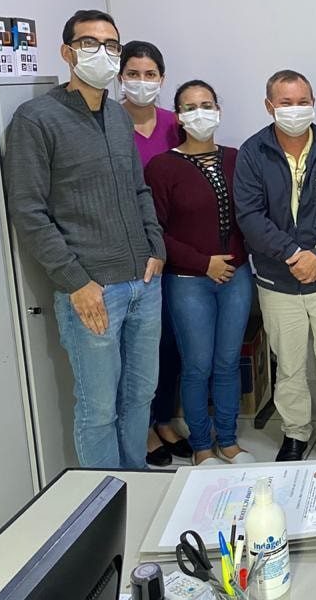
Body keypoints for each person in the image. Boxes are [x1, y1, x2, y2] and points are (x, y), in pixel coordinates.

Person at [4, 9, 165, 469]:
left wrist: (156, 247)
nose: (103, 53)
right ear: (67, 52)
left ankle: (136, 480)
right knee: (98, 410)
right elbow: (28, 211)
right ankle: (104, 496)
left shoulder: (116, 116)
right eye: (89, 43)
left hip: (143, 283)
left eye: (111, 45)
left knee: (141, 394)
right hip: (93, 289)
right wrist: (76, 281)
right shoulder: (37, 119)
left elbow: (138, 189)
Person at [234, 70, 316, 474]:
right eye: (285, 103)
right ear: (269, 106)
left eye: (302, 101)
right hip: (278, 279)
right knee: (288, 365)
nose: (295, 109)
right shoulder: (253, 152)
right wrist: (292, 254)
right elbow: (249, 215)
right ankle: (295, 432)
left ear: (313, 103)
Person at [145, 80, 256, 466]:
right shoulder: (162, 167)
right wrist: (203, 262)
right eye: (190, 107)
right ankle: (201, 447)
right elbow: (154, 231)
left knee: (227, 362)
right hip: (188, 281)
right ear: (178, 117)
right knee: (197, 366)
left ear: (218, 111)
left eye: (207, 105)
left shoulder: (236, 159)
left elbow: (251, 215)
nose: (200, 113)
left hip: (236, 278)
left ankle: (228, 440)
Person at [117, 40, 190, 468]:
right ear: (120, 77)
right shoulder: (109, 123)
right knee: (138, 349)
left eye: (150, 74)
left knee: (172, 344)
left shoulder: (174, 125)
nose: (141, 82)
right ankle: (141, 426)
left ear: (162, 78)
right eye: (133, 74)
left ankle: (164, 418)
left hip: (174, 250)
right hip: (132, 252)